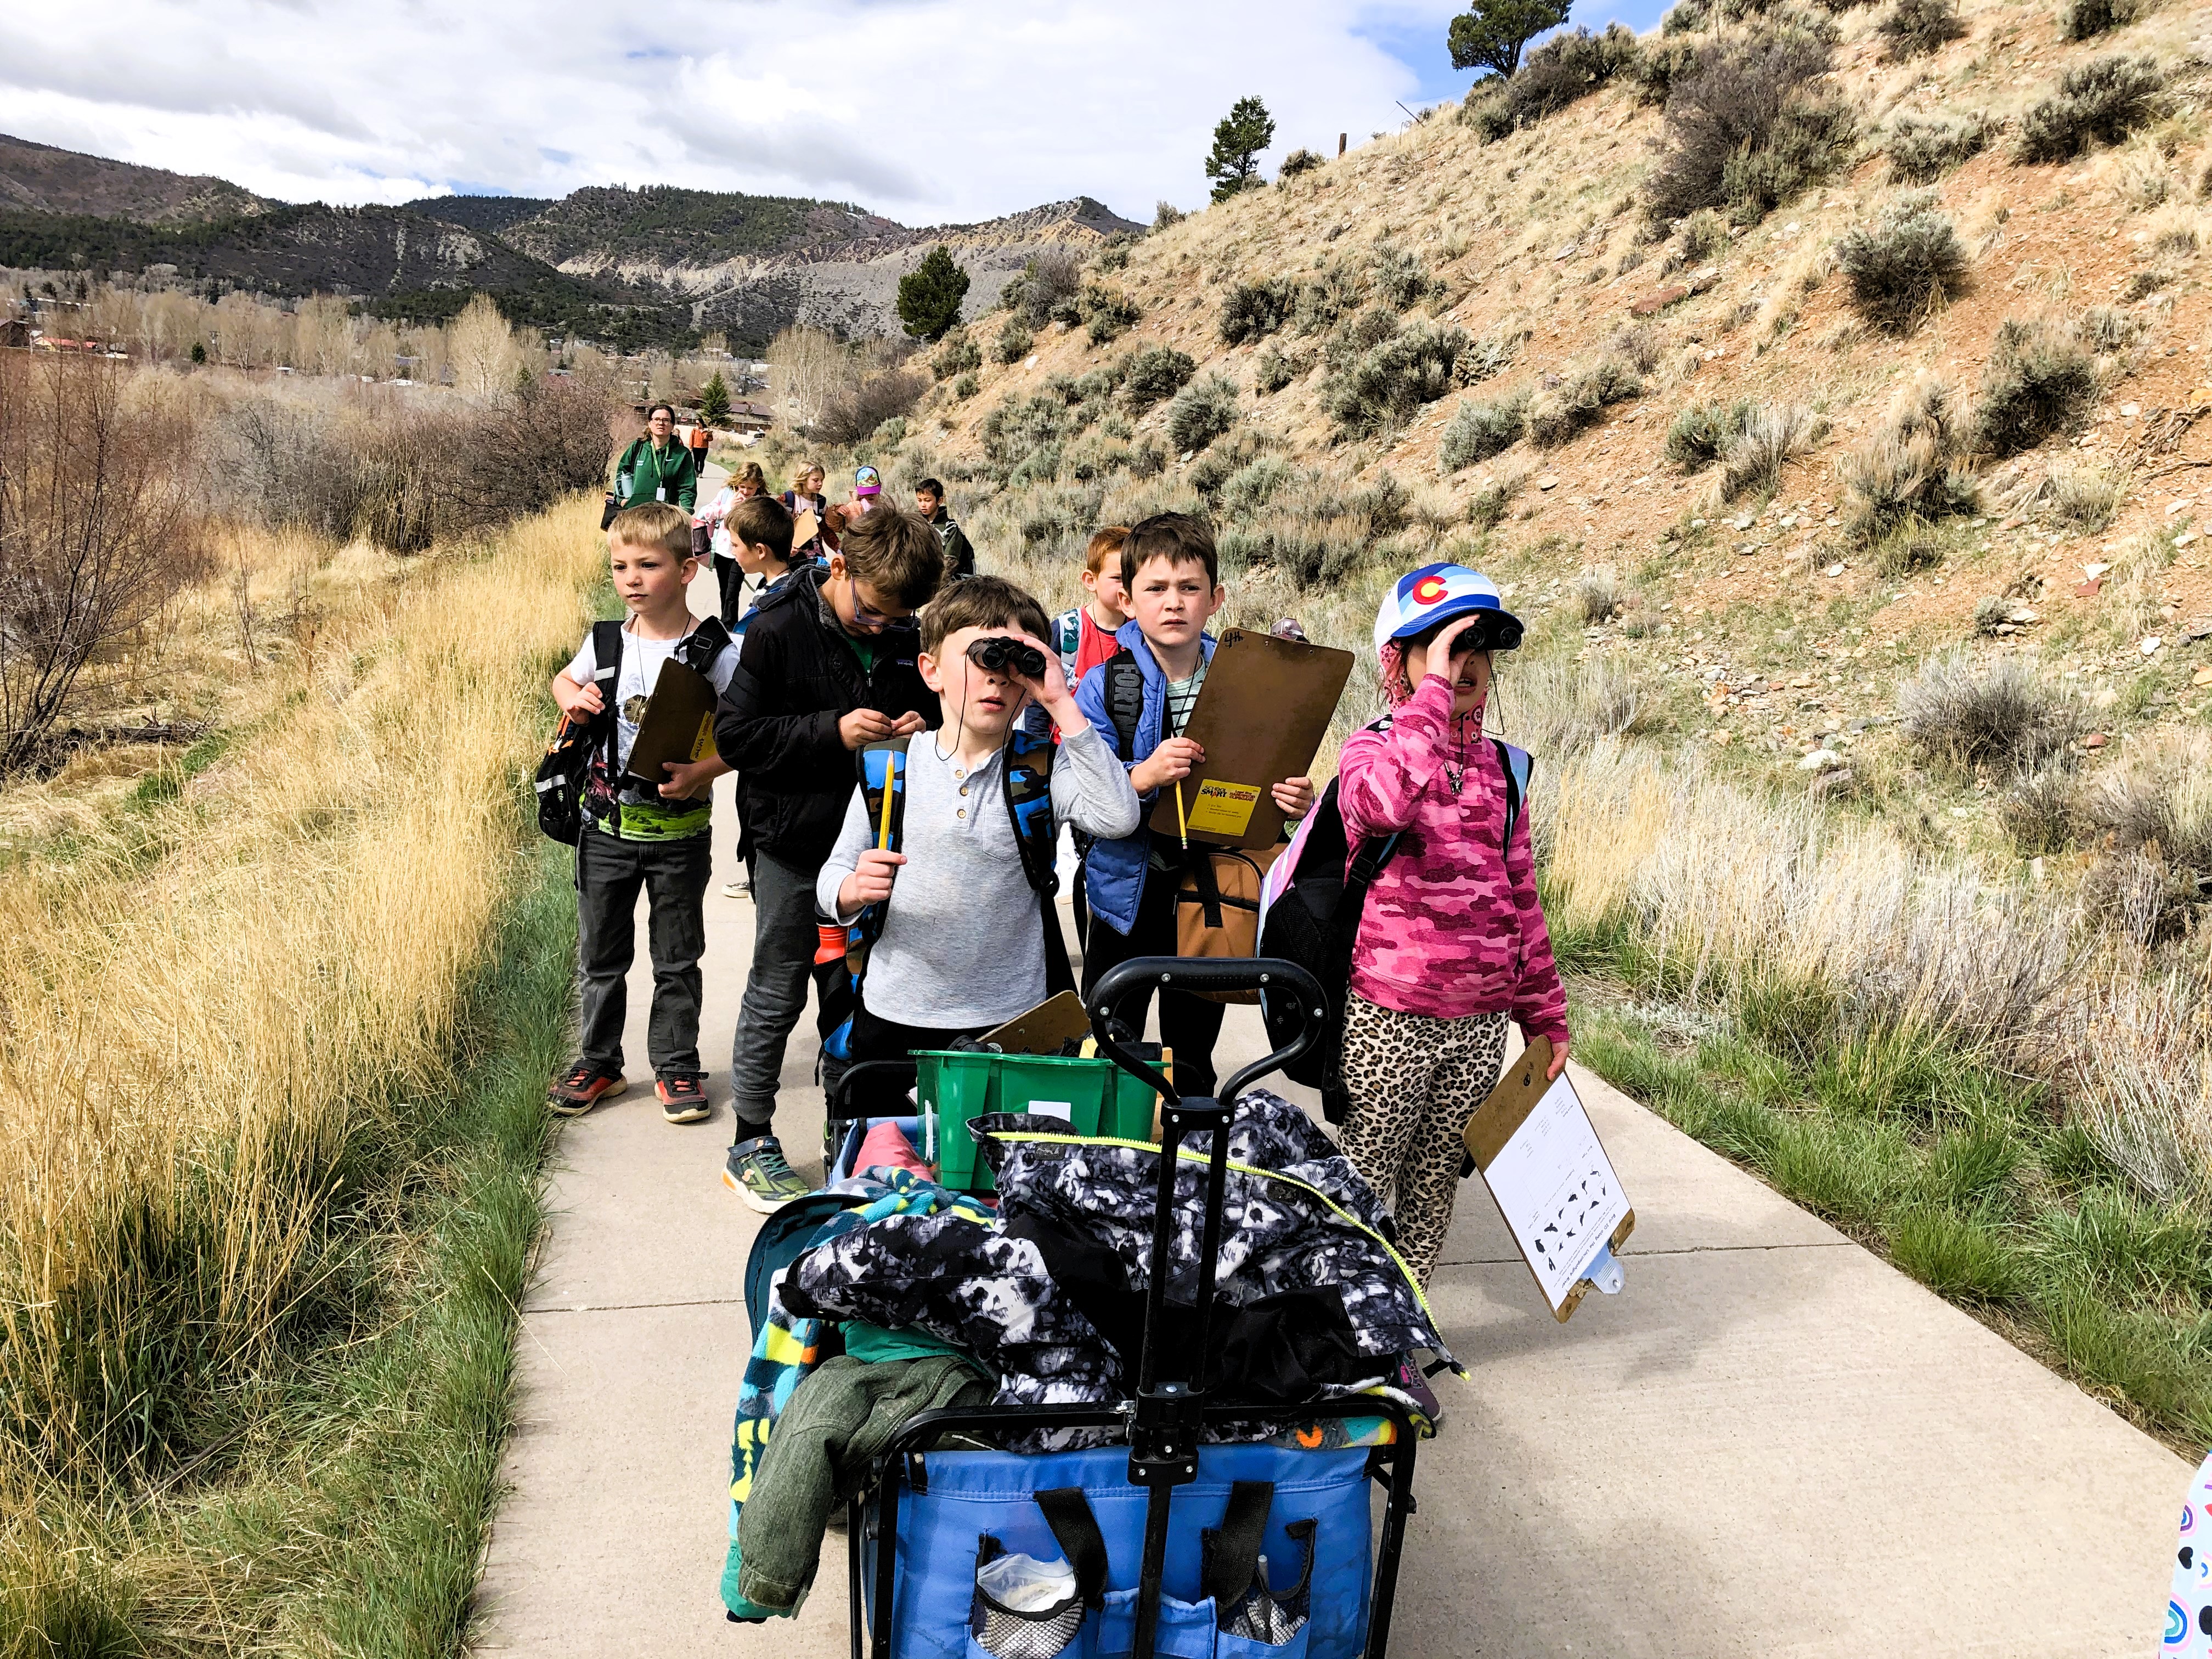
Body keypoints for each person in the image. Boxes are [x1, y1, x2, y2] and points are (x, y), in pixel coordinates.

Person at [1332, 563, 1571, 1289]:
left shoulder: (1507, 769)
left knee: (1436, 1183)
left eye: (1475, 649)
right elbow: (1382, 807)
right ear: (1397, 662)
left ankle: (1409, 1323)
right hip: (1391, 1012)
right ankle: (1348, 1327)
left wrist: (1545, 1017)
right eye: (1439, 647)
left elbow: (1522, 900)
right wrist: (1428, 703)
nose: (1462, 664)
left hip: (1480, 1020)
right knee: (1365, 1179)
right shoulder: (1371, 750)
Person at [815, 575, 1138, 1103]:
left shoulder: (1040, 767)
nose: (997, 679)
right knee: (897, 1171)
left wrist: (1059, 700)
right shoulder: (892, 764)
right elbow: (830, 881)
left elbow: (1118, 815)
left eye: (1014, 664)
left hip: (1012, 1022)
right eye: (978, 658)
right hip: (898, 1012)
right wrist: (852, 890)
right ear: (931, 670)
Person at [712, 504, 946, 1210]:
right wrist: (830, 731)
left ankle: (851, 1131)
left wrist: (921, 725)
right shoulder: (778, 628)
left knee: (859, 998)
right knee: (778, 987)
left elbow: (937, 720)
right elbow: (737, 739)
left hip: (878, 851)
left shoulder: (906, 638)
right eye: (873, 614)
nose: (883, 628)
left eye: (897, 620)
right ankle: (751, 1139)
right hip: (793, 844)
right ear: (838, 564)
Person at [1073, 512, 1315, 1101]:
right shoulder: (1102, 687)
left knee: (1192, 1051)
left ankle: (1189, 1164)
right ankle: (1107, 1161)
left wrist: (1293, 802)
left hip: (1210, 894)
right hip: (1123, 895)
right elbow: (1085, 796)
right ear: (1127, 600)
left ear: (1216, 600)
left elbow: (1270, 776)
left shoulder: (1253, 682)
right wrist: (1142, 776)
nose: (1174, 603)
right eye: (1156, 589)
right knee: (1107, 1040)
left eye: (1190, 588)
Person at [545, 503, 737, 1125]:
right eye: (620, 565)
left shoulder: (712, 650)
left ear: (687, 570)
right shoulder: (604, 641)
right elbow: (561, 681)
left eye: (648, 565)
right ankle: (599, 1061)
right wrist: (574, 698)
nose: (630, 578)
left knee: (677, 958)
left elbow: (745, 732)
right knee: (601, 956)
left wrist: (705, 772)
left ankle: (677, 1064)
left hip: (680, 835)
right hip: (605, 832)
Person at [716, 493, 802, 902]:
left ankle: (762, 884)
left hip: (765, 737)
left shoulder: (772, 609)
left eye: (735, 546)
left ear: (760, 550)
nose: (732, 552)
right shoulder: (801, 587)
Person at [1049, 526, 1131, 690]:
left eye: (1134, 577)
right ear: (1090, 581)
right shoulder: (1067, 631)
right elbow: (1039, 696)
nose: (1128, 586)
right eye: (1119, 578)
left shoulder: (1144, 631)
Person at [702, 461, 769, 625]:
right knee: (724, 590)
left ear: (758, 486)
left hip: (743, 553)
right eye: (742, 487)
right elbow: (705, 513)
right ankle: (726, 622)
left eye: (750, 488)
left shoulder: (760, 502)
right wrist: (728, 508)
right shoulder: (726, 494)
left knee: (733, 591)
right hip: (722, 550)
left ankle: (729, 625)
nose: (745, 492)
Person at [611, 402, 698, 511]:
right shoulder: (637, 447)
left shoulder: (682, 454)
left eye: (666, 420)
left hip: (666, 516)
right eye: (656, 419)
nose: (661, 423)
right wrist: (621, 499)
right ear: (649, 423)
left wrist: (686, 510)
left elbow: (687, 487)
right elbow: (622, 473)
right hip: (634, 513)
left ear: (672, 425)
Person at [913, 477, 975, 579]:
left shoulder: (950, 529)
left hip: (955, 584)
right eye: (920, 500)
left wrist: (934, 589)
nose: (923, 505)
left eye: (927, 500)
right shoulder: (916, 524)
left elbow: (950, 564)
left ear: (940, 501)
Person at [782, 461, 833, 560]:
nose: (820, 484)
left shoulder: (821, 502)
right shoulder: (789, 499)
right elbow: (778, 526)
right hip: (793, 553)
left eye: (822, 480)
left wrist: (837, 547)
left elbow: (825, 528)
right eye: (816, 480)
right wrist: (786, 545)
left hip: (815, 552)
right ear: (803, 480)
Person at [688, 413, 713, 478]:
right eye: (696, 424)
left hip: (704, 448)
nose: (697, 425)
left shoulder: (706, 430)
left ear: (701, 423)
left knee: (702, 461)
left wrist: (707, 437)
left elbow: (711, 439)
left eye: (698, 423)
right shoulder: (694, 430)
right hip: (696, 447)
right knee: (696, 461)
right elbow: (691, 439)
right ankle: (697, 471)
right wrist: (691, 447)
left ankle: (701, 473)